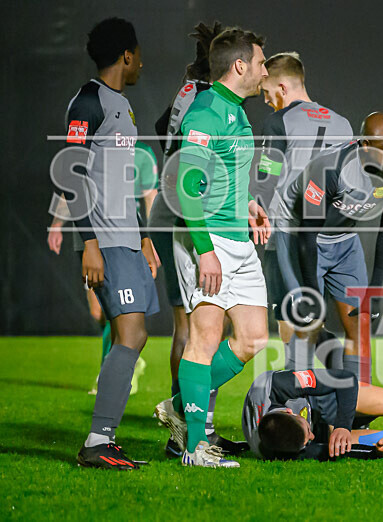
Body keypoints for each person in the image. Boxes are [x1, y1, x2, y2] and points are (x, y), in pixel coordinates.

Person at [155, 27, 271, 468]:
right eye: (261, 62)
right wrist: (204, 251)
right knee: (203, 340)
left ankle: (180, 405)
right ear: (240, 65)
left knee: (253, 338)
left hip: (237, 239)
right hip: (207, 242)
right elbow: (187, 189)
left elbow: (224, 179)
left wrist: (249, 207)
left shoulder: (237, 112)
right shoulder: (205, 113)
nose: (264, 70)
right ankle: (194, 449)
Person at [61, 17, 159, 470]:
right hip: (106, 241)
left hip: (127, 239)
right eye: (138, 54)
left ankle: (104, 439)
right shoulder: (88, 101)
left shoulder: (123, 106)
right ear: (126, 55)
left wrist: (144, 238)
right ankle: (99, 440)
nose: (141, 62)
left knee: (134, 336)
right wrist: (89, 243)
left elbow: (121, 180)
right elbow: (71, 172)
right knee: (131, 334)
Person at [149, 21, 241, 458]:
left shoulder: (187, 94)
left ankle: (188, 423)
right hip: (191, 215)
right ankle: (186, 425)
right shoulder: (210, 102)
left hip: (173, 211)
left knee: (188, 326)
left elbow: (163, 136)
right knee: (204, 326)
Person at [285, 112, 383, 385]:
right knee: (307, 324)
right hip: (304, 237)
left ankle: (357, 406)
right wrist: (311, 293)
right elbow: (307, 233)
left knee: (360, 324)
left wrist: (374, 289)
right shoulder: (330, 169)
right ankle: (296, 410)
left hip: (345, 240)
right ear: (364, 146)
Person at [252, 51, 353, 371]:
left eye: (267, 93)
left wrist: (255, 210)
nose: (267, 101)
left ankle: (298, 402)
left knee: (289, 323)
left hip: (288, 235)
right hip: (332, 238)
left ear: (282, 87)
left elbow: (266, 177)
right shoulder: (343, 123)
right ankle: (338, 386)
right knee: (313, 317)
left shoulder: (278, 121)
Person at [242, 368, 383, 461]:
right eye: (307, 442)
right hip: (321, 426)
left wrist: (343, 426)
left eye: (308, 431)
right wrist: (377, 453)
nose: (312, 437)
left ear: (290, 412)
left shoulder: (280, 384)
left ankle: (350, 423)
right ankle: (349, 427)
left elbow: (345, 378)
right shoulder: (279, 449)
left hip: (319, 399)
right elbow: (324, 452)